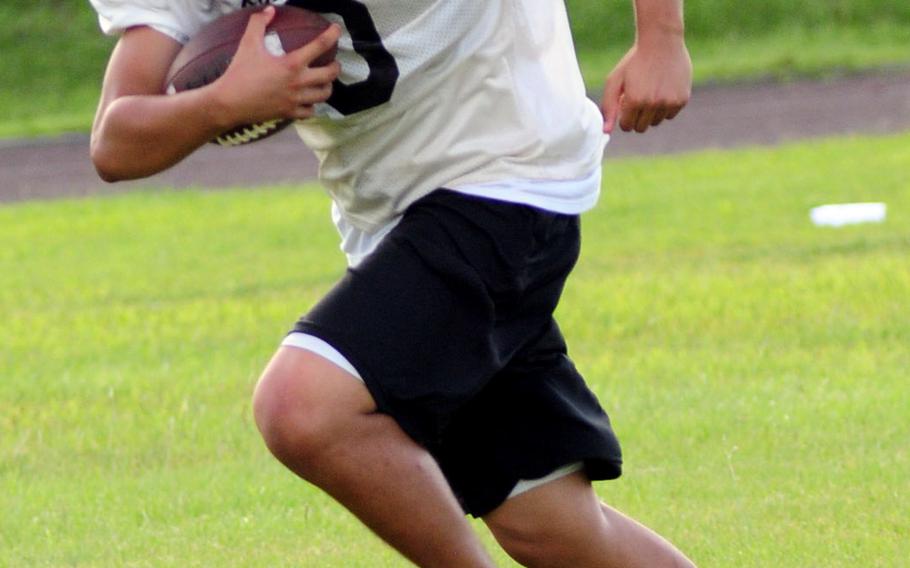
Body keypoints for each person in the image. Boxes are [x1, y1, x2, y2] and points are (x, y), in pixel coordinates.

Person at [89, 0, 694, 565]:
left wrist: (661, 39)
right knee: (548, 522)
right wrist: (220, 102)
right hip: (389, 214)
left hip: (509, 167)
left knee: (302, 405)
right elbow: (115, 141)